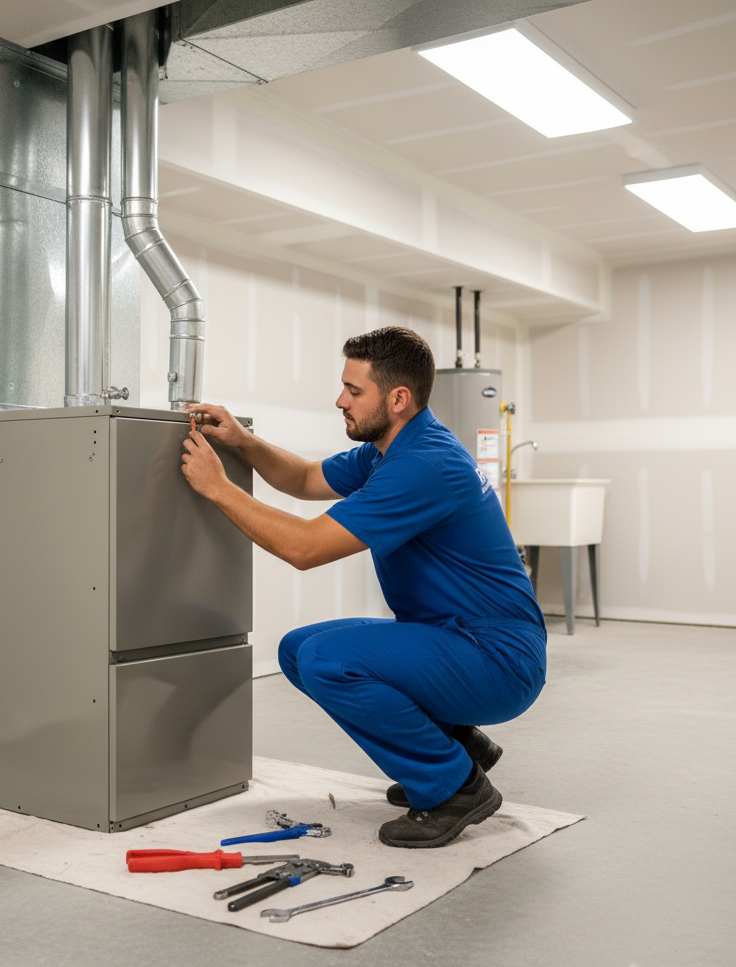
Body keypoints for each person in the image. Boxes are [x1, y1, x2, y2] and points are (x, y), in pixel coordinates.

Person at [180, 326, 546, 849]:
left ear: (398, 399)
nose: (340, 400)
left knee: (331, 659)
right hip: (459, 640)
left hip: (496, 659)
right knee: (298, 650)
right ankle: (454, 745)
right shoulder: (391, 450)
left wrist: (219, 488)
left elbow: (305, 549)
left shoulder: (423, 465)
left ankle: (455, 787)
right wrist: (244, 441)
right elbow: (306, 478)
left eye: (354, 391)